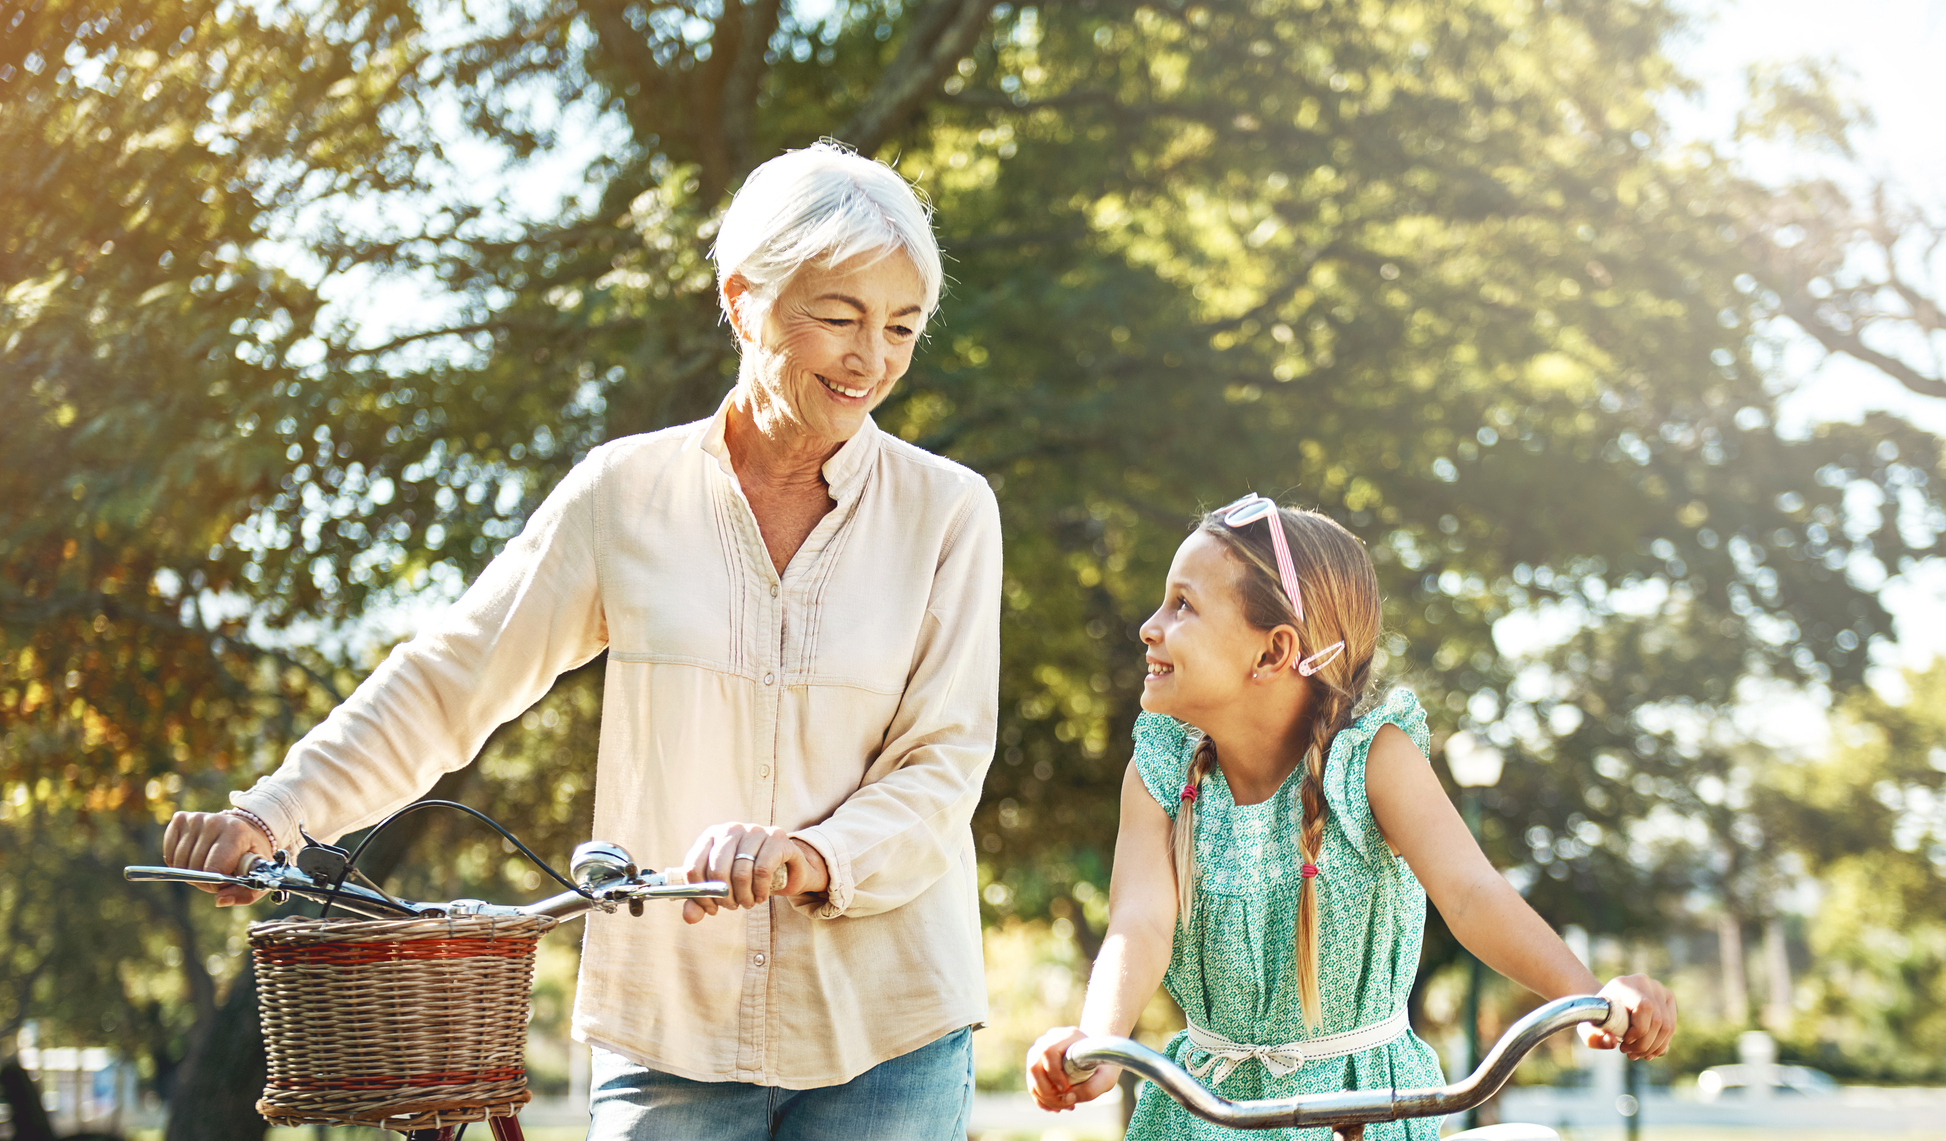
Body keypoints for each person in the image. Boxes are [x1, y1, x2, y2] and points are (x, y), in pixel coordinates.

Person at [160, 141, 1001, 1140]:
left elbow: (942, 763)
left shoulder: (948, 513)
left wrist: (811, 852)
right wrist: (273, 813)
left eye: (901, 327)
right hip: (670, 1029)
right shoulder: (624, 495)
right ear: (742, 300)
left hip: (890, 1026)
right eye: (837, 317)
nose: (871, 359)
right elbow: (453, 678)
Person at [1025, 495, 1675, 1140]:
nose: (1150, 624)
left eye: (1183, 604)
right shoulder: (1161, 773)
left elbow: (1472, 893)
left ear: (1274, 652)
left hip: (1359, 1111)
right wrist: (1101, 1043)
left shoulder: (1371, 760)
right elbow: (1139, 922)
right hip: (1205, 1116)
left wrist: (1592, 995)